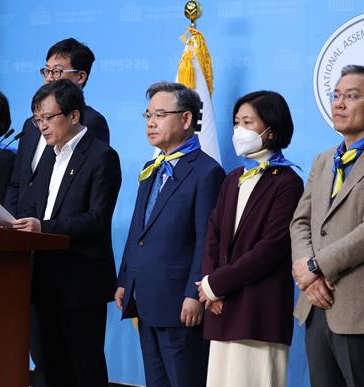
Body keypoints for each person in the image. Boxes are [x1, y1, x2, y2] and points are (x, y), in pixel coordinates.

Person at [3, 37, 110, 386]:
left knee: (84, 367)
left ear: (74, 115)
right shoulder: (49, 153)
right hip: (40, 273)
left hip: (79, 277)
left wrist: (42, 228)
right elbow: (30, 196)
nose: (42, 126)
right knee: (48, 367)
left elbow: (95, 218)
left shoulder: (99, 153)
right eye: (37, 120)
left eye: (47, 118)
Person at [291, 64, 364, 387]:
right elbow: (301, 221)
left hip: (362, 309)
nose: (339, 103)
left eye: (351, 96)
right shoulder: (324, 160)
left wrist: (315, 266)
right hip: (315, 303)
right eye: (336, 95)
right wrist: (308, 278)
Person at [115, 81, 224, 387]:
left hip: (180, 303)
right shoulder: (151, 167)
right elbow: (139, 229)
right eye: (148, 115)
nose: (151, 122)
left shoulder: (206, 171)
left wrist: (194, 293)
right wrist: (126, 278)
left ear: (186, 119)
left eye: (160, 114)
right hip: (145, 297)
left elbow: (206, 240)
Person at [196, 91, 303, 387]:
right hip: (220, 306)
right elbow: (213, 234)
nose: (238, 130)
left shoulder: (287, 182)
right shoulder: (232, 178)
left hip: (259, 309)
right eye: (236, 122)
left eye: (248, 122)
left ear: (271, 130)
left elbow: (271, 249)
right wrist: (209, 284)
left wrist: (216, 285)